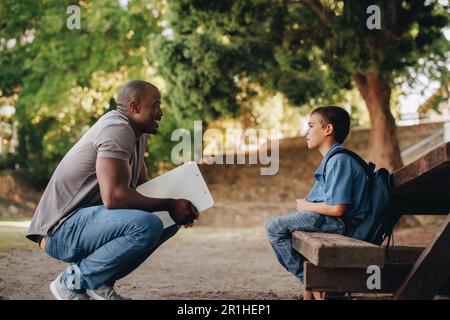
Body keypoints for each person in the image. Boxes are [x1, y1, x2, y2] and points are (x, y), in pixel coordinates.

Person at [26, 80, 199, 300]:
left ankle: (98, 283)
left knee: (167, 220)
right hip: (59, 230)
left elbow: (142, 190)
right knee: (147, 224)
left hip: (87, 225)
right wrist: (169, 203)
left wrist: (180, 203)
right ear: (135, 107)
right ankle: (70, 283)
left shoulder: (138, 136)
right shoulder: (116, 128)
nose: (161, 112)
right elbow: (114, 198)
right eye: (155, 106)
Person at [265, 106, 369, 300]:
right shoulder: (333, 160)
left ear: (328, 129)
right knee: (286, 229)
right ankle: (314, 286)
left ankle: (317, 283)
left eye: (311, 126)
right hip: (332, 221)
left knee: (275, 227)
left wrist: (306, 206)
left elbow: (338, 209)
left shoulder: (339, 161)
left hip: (341, 224)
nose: (306, 133)